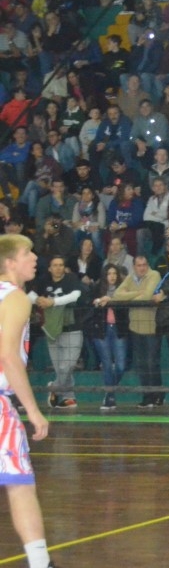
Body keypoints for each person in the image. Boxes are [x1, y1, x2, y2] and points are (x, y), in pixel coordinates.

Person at [0, 234, 58, 568]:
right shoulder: (15, 297)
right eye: (27, 253)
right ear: (10, 262)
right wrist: (34, 411)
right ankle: (40, 563)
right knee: (19, 484)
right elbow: (8, 356)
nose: (35, 257)